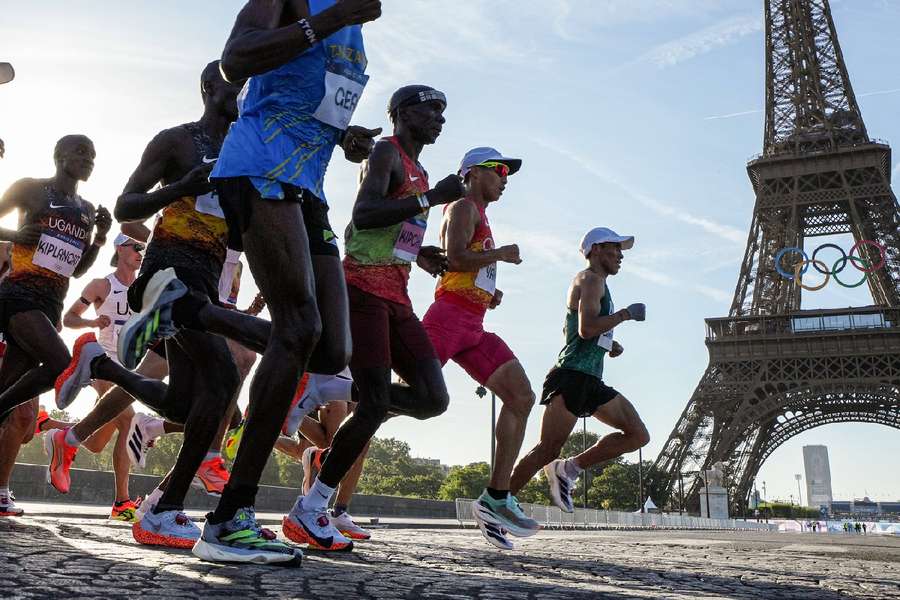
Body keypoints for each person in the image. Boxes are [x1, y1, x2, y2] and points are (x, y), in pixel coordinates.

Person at [47, 62, 285, 559]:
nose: (241, 89)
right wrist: (182, 186)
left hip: (205, 276)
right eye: (232, 80)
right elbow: (128, 202)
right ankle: (160, 508)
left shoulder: (243, 153)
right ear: (209, 87)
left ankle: (101, 363)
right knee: (226, 379)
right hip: (167, 270)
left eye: (247, 82)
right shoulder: (176, 141)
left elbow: (238, 235)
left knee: (186, 404)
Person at [176, 0, 382, 563]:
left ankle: (199, 317)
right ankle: (227, 521)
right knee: (299, 328)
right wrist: (330, 18)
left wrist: (345, 140)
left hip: (306, 184)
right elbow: (236, 60)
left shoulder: (356, 25)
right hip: (259, 164)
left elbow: (308, 94)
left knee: (331, 348)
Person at [287, 84, 462, 550]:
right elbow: (364, 215)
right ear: (402, 113)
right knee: (375, 405)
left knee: (431, 399)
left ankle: (331, 385)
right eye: (431, 108)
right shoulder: (386, 151)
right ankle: (312, 508)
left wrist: (419, 251)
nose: (440, 117)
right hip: (362, 286)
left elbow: (391, 228)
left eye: (444, 111)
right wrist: (430, 200)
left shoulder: (421, 170)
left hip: (398, 294)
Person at [421, 147, 539, 549]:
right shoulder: (461, 206)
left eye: (509, 172)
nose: (505, 178)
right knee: (394, 401)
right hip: (448, 319)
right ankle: (328, 460)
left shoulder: (480, 214)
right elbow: (454, 257)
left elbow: (465, 267)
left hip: (473, 323)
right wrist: (500, 255)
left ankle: (496, 497)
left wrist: (489, 289)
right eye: (500, 170)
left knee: (521, 396)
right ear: (472, 173)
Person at [508, 228, 649, 526]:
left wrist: (609, 343)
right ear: (596, 250)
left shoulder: (597, 284)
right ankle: (499, 500)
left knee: (638, 435)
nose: (621, 255)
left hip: (590, 379)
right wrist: (625, 315)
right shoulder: (590, 279)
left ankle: (569, 469)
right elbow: (586, 328)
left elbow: (573, 331)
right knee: (546, 449)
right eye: (615, 248)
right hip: (571, 376)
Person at [54, 233, 151, 520]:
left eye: (144, 249)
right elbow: (69, 319)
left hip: (131, 370)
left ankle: (50, 427)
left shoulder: (145, 288)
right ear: (120, 249)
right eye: (136, 247)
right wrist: (92, 321)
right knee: (130, 422)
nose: (140, 252)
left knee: (95, 443)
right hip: (104, 365)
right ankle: (121, 503)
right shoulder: (101, 285)